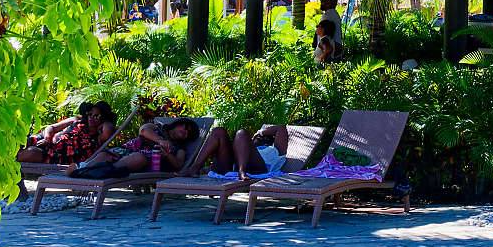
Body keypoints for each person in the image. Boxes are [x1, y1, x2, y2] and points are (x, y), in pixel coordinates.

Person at [66, 116, 200, 179]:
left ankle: (92, 172)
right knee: (105, 155)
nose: (185, 131)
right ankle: (84, 168)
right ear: (178, 123)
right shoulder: (157, 128)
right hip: (126, 150)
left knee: (138, 158)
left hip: (146, 162)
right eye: (185, 127)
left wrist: (168, 155)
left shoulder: (178, 148)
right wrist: (160, 140)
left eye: (188, 133)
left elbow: (178, 165)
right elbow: (143, 131)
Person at [19, 101, 117, 166]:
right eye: (90, 114)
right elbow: (51, 127)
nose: (91, 117)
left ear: (104, 118)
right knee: (20, 141)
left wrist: (105, 122)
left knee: (31, 153)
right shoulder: (77, 120)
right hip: (46, 140)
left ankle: (6, 165)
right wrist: (47, 139)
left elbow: (109, 128)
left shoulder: (98, 137)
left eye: (97, 116)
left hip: (57, 156)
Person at [185, 124, 292, 180]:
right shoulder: (243, 147)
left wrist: (261, 133)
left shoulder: (276, 151)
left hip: (258, 168)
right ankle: (194, 168)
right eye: (257, 138)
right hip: (231, 166)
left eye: (264, 138)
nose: (260, 139)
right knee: (218, 131)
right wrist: (255, 138)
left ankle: (242, 171)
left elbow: (281, 128)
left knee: (241, 133)